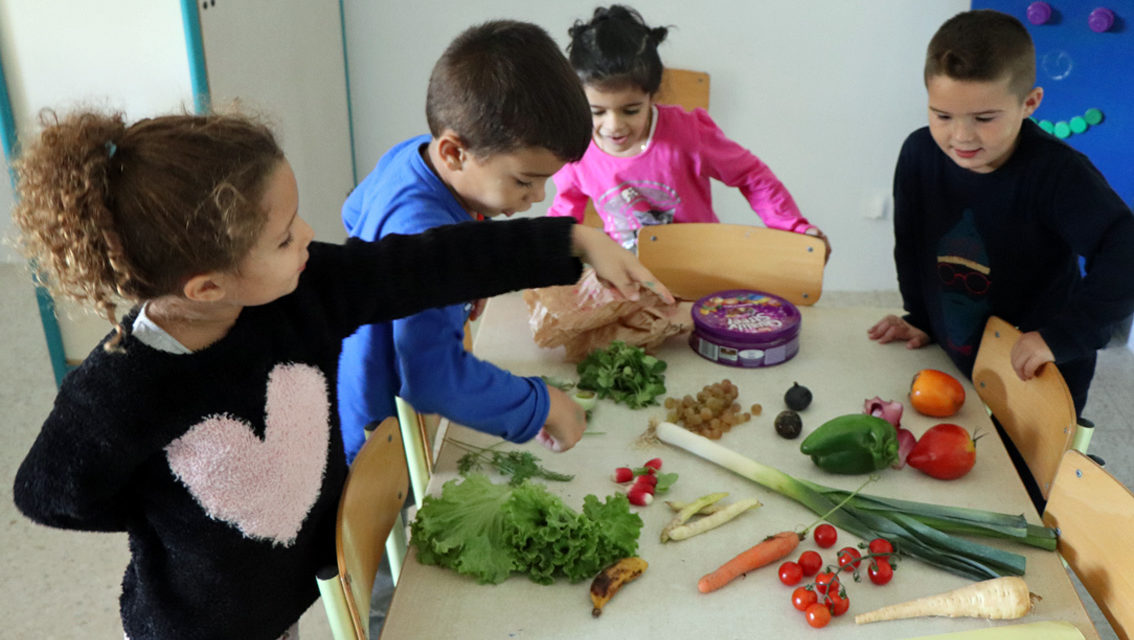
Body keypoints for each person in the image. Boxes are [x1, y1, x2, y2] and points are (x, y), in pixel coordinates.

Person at [10, 109, 666, 640]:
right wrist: (168, 512)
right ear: (208, 285)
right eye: (283, 237)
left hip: (287, 600)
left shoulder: (303, 288)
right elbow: (48, 494)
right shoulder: (120, 388)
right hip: (190, 628)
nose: (307, 235)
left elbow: (424, 265)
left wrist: (569, 241)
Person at [336, 20, 674, 465]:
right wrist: (541, 405)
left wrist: (464, 279)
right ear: (455, 153)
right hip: (384, 438)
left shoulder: (416, 155)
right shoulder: (420, 225)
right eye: (524, 181)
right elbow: (432, 379)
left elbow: (355, 213)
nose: (537, 197)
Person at [869, 9, 1134, 417]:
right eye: (942, 115)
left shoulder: (1059, 173)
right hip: (958, 356)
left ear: (1030, 103)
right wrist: (919, 316)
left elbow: (1125, 250)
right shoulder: (919, 153)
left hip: (1038, 375)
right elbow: (910, 244)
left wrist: (1064, 335)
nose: (961, 136)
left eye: (984, 118)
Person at [546, 4, 829, 257]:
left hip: (700, 267)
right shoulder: (577, 148)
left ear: (652, 96)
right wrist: (548, 250)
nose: (614, 125)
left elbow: (751, 175)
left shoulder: (689, 134)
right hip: (627, 274)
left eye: (630, 110)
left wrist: (794, 228)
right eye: (597, 112)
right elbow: (564, 213)